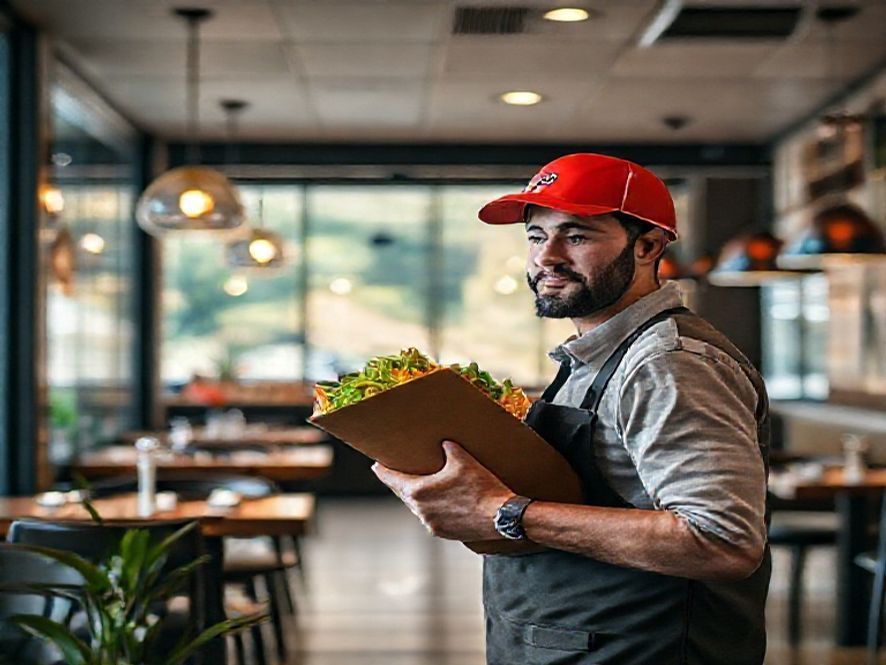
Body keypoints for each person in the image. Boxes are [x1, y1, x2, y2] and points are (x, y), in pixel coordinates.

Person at [373, 153, 771, 665]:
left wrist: (506, 513)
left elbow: (723, 541)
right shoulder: (594, 355)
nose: (547, 257)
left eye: (577, 236)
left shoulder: (667, 364)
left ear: (648, 245)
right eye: (536, 237)